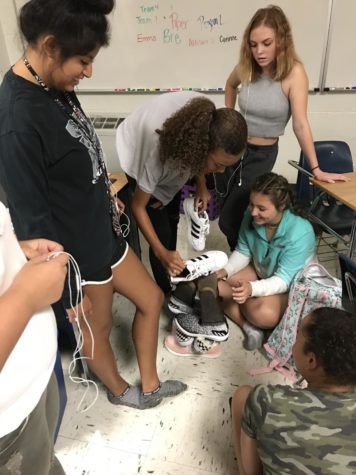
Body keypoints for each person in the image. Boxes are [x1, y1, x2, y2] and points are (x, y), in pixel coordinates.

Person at [0, 0, 186, 410]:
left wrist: (104, 194)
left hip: (104, 231)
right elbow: (33, 229)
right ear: (50, 46)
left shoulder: (53, 83)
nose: (89, 72)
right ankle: (121, 392)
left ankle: (151, 385)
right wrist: (69, 294)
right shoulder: (18, 118)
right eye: (83, 61)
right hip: (79, 258)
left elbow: (76, 152)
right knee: (94, 333)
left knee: (152, 300)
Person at [219, 4, 348, 250]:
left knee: (232, 219)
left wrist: (316, 168)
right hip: (233, 149)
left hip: (261, 155)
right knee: (230, 211)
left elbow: (300, 124)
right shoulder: (246, 67)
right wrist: (229, 118)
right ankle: (241, 263)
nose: (259, 51)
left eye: (267, 43)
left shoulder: (294, 73)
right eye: (254, 44)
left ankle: (248, 263)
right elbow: (229, 85)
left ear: (281, 40)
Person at [116, 91, 247, 295]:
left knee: (171, 215)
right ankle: (167, 291)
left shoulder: (213, 122)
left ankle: (173, 267)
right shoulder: (157, 151)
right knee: (161, 229)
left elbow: (198, 159)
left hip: (177, 147)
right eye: (219, 165)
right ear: (201, 148)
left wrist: (202, 185)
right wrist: (162, 252)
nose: (221, 172)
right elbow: (138, 206)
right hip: (135, 147)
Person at [231, 306, 356, 475]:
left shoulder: (265, 400)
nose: (294, 340)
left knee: (243, 395)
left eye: (298, 336)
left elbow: (252, 470)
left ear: (311, 360)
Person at [0, 202, 68, 474]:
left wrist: (13, 248)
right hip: (8, 422)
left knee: (47, 462)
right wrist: (26, 296)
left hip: (33, 384)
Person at [217, 172, 316, 350]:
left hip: (289, 288)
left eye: (261, 209)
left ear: (282, 206)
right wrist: (225, 270)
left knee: (263, 314)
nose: (253, 212)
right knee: (212, 281)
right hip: (262, 273)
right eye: (251, 204)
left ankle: (238, 308)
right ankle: (249, 327)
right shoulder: (251, 216)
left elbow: (284, 280)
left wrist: (251, 289)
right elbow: (243, 250)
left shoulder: (300, 232)